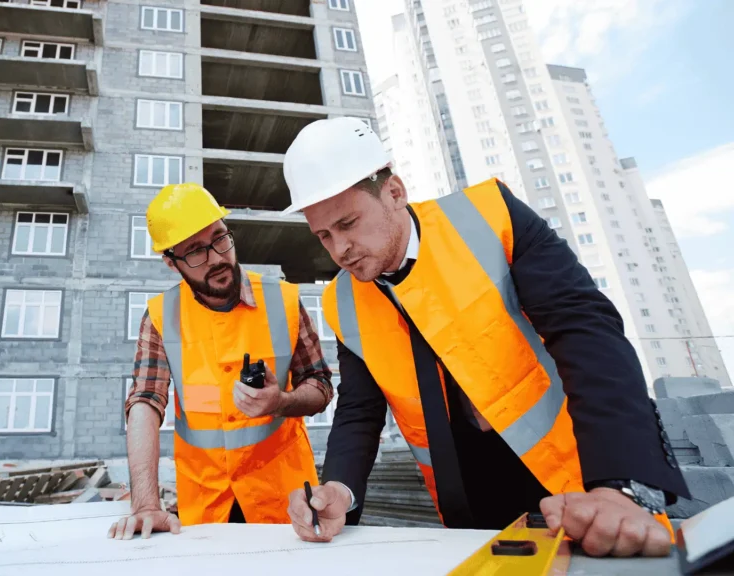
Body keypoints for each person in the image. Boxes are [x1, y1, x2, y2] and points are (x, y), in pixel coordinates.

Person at [280, 118, 690, 558]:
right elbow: (360, 411)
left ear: (395, 193)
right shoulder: (344, 300)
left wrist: (619, 481)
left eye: (348, 223)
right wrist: (340, 489)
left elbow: (585, 332)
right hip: (467, 501)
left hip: (576, 478)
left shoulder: (491, 216)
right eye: (324, 235)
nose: (339, 248)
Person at [108, 183, 334, 540]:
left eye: (219, 239)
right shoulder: (160, 317)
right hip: (207, 507)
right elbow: (145, 402)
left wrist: (283, 402)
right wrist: (145, 504)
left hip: (287, 505)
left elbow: (320, 385)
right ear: (171, 261)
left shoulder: (284, 301)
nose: (216, 258)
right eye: (195, 252)